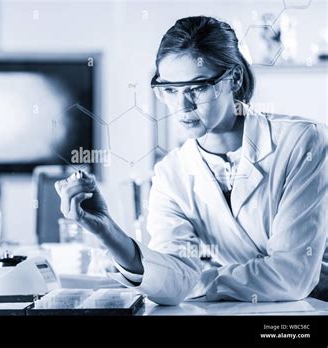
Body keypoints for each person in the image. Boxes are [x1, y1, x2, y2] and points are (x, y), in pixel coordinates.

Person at [55, 16, 327, 305]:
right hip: (251, 309)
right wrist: (106, 229)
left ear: (233, 78)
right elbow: (173, 280)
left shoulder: (300, 142)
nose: (182, 106)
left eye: (197, 88)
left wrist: (200, 280)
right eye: (170, 90)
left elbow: (291, 276)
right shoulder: (171, 173)